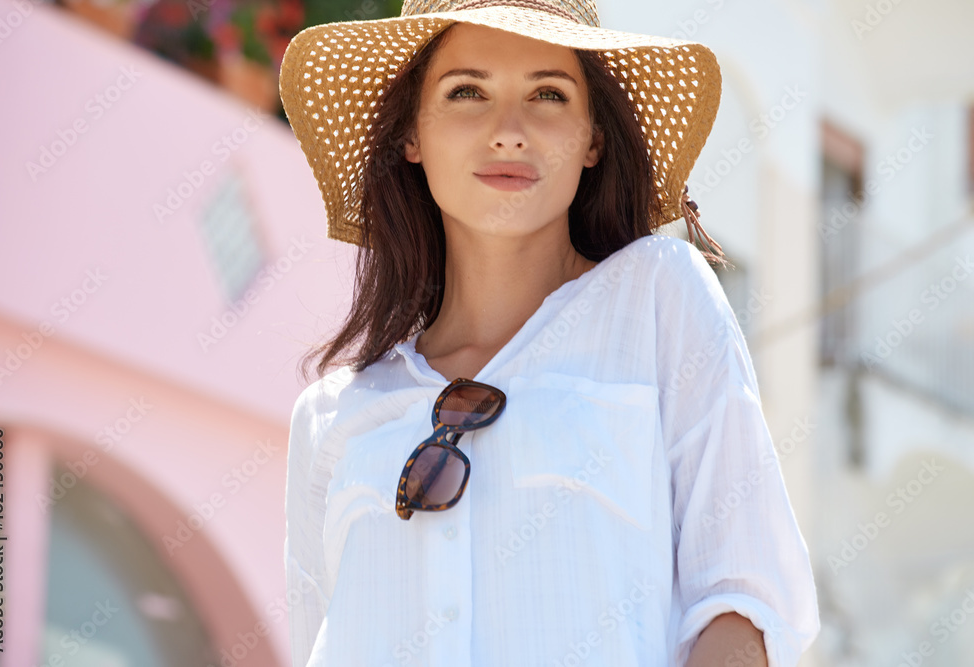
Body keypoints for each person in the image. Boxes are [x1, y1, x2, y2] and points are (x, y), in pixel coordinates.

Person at [278, 1, 820, 665]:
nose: (509, 131)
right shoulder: (330, 416)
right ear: (411, 134)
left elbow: (747, 602)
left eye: (548, 94)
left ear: (592, 137)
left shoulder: (658, 297)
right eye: (467, 92)